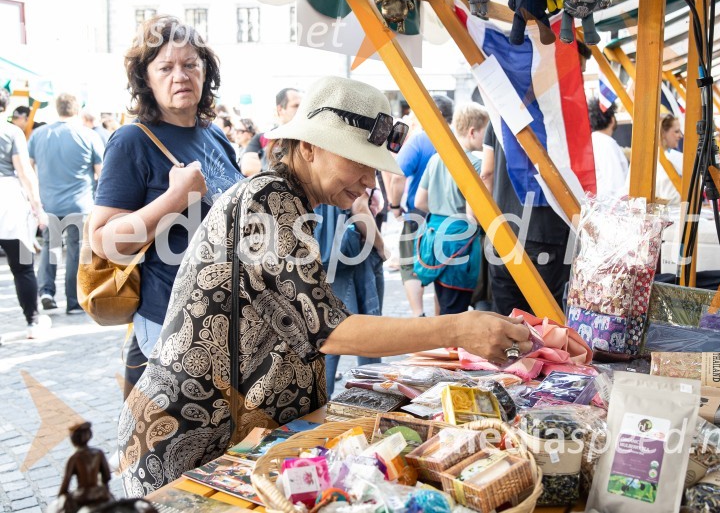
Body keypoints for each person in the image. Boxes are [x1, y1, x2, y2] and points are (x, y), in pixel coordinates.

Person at [116, 76, 532, 495]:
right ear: (310, 147)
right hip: (187, 442)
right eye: (360, 162)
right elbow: (328, 331)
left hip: (223, 439)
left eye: (375, 167)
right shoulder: (269, 198)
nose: (371, 180)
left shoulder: (291, 203)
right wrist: (458, 328)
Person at [88, 15, 243, 398]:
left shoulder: (214, 136)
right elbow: (104, 241)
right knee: (174, 448)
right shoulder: (131, 142)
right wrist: (175, 199)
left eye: (191, 64)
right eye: (166, 67)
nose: (180, 75)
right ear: (146, 78)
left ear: (206, 71)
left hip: (227, 320)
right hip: (170, 324)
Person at [481, 122, 572, 312]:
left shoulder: (496, 115)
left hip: (502, 232)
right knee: (548, 320)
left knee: (507, 320)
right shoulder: (552, 111)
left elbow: (486, 174)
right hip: (546, 233)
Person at [29, 93, 103, 315]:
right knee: (75, 253)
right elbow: (101, 173)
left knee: (50, 249)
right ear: (77, 109)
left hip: (49, 203)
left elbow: (29, 167)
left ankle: (47, 292)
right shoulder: (88, 135)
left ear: (56, 108)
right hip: (80, 205)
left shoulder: (38, 135)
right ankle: (73, 301)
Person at [414, 103, 488, 314]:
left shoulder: (437, 158)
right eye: (486, 131)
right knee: (457, 312)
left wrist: (441, 206)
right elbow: (473, 215)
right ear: (473, 132)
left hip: (435, 237)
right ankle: (452, 349)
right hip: (460, 242)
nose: (487, 139)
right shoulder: (474, 164)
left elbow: (419, 201)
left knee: (445, 305)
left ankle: (447, 348)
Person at [312, 187, 386, 397]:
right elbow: (360, 208)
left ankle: (320, 406)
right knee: (367, 333)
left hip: (324, 257)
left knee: (329, 333)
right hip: (352, 260)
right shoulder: (355, 165)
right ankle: (375, 400)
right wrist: (381, 246)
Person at [387, 94, 454, 317]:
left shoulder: (420, 140)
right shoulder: (457, 139)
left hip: (419, 213)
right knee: (442, 266)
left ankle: (419, 316)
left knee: (410, 264)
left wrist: (395, 206)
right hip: (451, 216)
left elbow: (397, 176)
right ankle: (440, 319)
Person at [0, 89, 49, 339]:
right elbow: (25, 172)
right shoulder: (11, 132)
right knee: (22, 267)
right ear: (6, 108)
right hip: (8, 203)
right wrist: (37, 207)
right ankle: (32, 322)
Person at [240, 87, 302, 175]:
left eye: (303, 106)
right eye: (296, 106)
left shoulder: (309, 138)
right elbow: (248, 168)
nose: (301, 110)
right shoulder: (263, 138)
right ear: (280, 109)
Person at [587, 98, 628, 200]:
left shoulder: (592, 141)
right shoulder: (606, 144)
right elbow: (617, 185)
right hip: (610, 207)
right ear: (612, 120)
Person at [654, 113, 684, 205]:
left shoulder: (649, 156)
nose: (680, 136)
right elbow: (671, 196)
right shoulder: (673, 157)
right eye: (676, 131)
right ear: (663, 133)